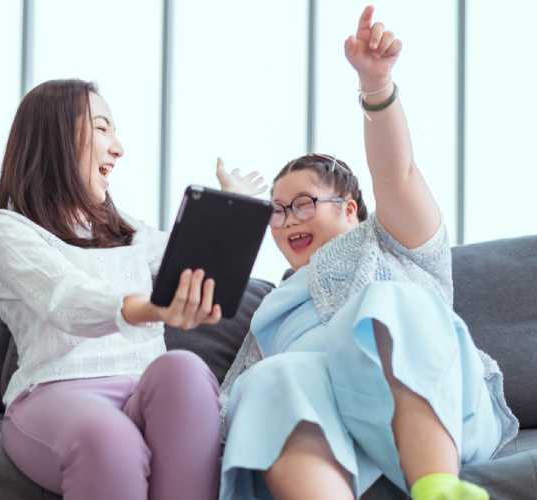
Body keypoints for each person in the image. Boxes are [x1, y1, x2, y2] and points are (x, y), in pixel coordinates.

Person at [216, 6, 518, 500]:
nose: (288, 218)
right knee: (271, 377)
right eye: (275, 210)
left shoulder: (392, 244)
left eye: (304, 203)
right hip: (331, 427)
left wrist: (376, 86)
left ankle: (438, 489)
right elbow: (226, 406)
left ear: (352, 208)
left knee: (388, 300)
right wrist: (231, 211)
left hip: (432, 411)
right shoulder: (271, 307)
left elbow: (396, 175)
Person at [0, 79, 265, 500]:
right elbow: (68, 299)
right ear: (55, 136)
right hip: (56, 393)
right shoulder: (7, 230)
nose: (118, 148)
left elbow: (188, 259)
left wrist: (231, 209)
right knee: (110, 439)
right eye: (101, 128)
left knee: (184, 370)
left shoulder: (127, 231)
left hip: (140, 389)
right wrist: (151, 308)